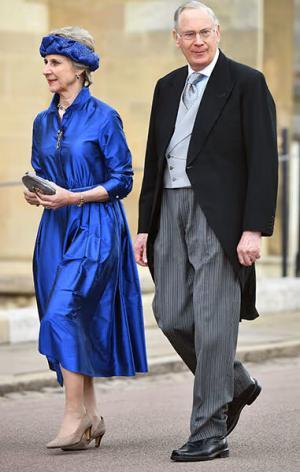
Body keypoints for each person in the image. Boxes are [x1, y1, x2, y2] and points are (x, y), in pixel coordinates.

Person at [135, 1, 278, 462]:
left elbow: (263, 161)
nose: (197, 41)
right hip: (169, 210)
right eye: (188, 34)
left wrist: (253, 228)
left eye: (204, 32)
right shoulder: (166, 86)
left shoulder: (247, 83)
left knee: (216, 323)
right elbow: (154, 159)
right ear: (176, 39)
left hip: (220, 216)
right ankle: (235, 384)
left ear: (217, 32)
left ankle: (208, 429)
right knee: (172, 313)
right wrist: (143, 227)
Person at [23, 26, 147, 451]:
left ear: (79, 68)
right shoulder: (41, 121)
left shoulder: (105, 116)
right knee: (65, 317)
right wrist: (37, 192)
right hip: (55, 230)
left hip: (96, 226)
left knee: (64, 312)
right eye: (45, 62)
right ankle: (92, 416)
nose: (47, 70)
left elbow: (122, 180)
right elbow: (42, 171)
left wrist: (74, 195)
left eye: (54, 62)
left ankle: (73, 417)